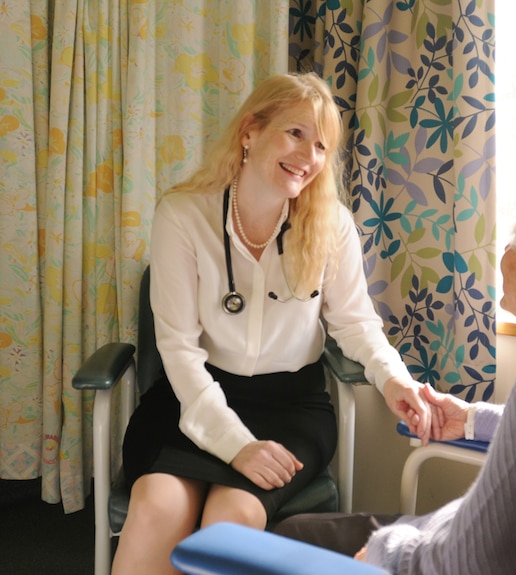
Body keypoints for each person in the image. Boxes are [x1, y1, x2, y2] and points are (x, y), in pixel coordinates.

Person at [112, 72, 433, 574]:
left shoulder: (332, 226)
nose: (308, 157)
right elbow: (177, 349)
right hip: (191, 400)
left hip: (291, 409)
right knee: (157, 503)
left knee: (231, 517)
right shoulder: (182, 215)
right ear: (250, 132)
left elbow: (356, 323)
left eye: (322, 145)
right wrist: (236, 445)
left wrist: (394, 379)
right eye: (295, 133)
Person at [274, 174, 516, 574]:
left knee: (292, 538)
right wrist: (471, 420)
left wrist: (384, 552)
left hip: (440, 556)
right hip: (460, 539)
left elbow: (471, 561)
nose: (509, 250)